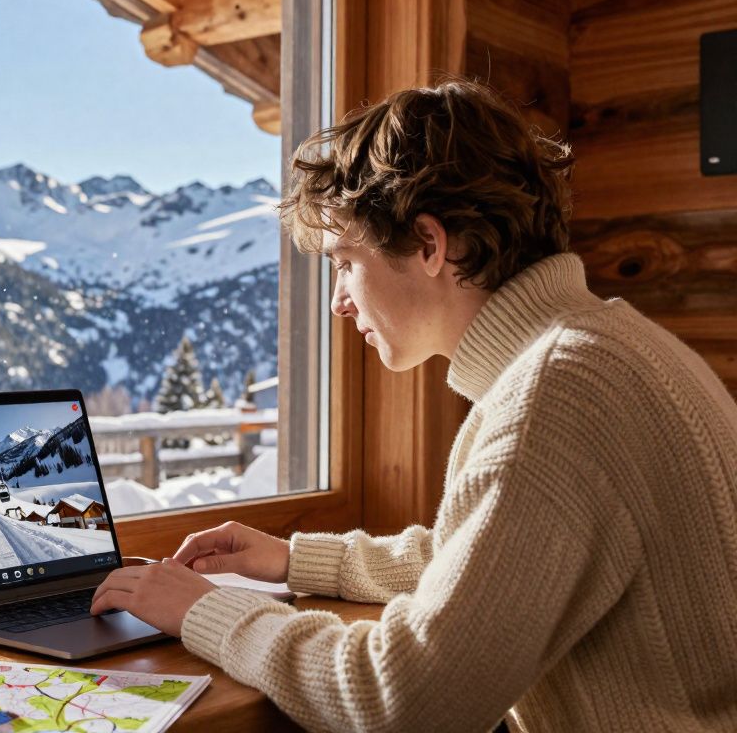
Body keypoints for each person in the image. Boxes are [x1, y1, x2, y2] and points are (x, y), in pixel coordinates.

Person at [89, 77, 737, 732]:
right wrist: (294, 560)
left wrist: (206, 612)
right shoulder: (611, 344)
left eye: (345, 262)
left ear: (430, 244)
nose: (341, 301)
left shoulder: (554, 399)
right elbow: (497, 567)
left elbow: (406, 700)